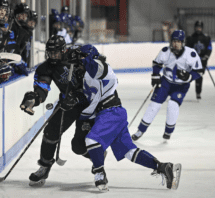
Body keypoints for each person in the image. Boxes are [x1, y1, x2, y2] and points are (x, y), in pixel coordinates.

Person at [63, 44, 182, 192]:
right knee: (129, 152)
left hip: (110, 112)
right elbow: (91, 99)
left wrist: (82, 59)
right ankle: (163, 166)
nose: (78, 66)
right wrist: (73, 100)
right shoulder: (87, 76)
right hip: (112, 114)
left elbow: (94, 68)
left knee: (92, 140)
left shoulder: (101, 66)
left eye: (81, 60)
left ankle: (99, 173)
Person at [19, 35, 95, 187]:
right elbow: (42, 87)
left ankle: (97, 161)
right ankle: (44, 166)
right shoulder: (46, 67)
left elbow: (97, 60)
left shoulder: (77, 55)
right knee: (51, 131)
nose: (53, 56)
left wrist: (86, 61)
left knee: (79, 145)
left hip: (89, 104)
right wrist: (35, 97)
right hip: (68, 103)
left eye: (56, 53)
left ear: (64, 50)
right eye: (50, 53)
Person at [131, 30, 204, 141]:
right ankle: (140, 130)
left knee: (172, 105)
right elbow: (157, 63)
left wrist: (188, 77)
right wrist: (155, 75)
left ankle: (168, 131)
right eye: (174, 41)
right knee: (154, 106)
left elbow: (199, 71)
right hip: (165, 82)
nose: (176, 44)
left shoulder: (191, 54)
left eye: (178, 41)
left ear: (183, 42)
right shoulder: (165, 51)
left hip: (181, 86)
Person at [186, 20, 212, 99]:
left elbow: (209, 48)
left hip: (202, 61)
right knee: (186, 77)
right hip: (192, 61)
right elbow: (187, 49)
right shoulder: (190, 37)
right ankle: (178, 91)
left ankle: (198, 92)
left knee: (199, 76)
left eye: (200, 27)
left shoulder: (206, 38)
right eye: (197, 27)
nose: (198, 29)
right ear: (195, 28)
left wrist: (206, 57)